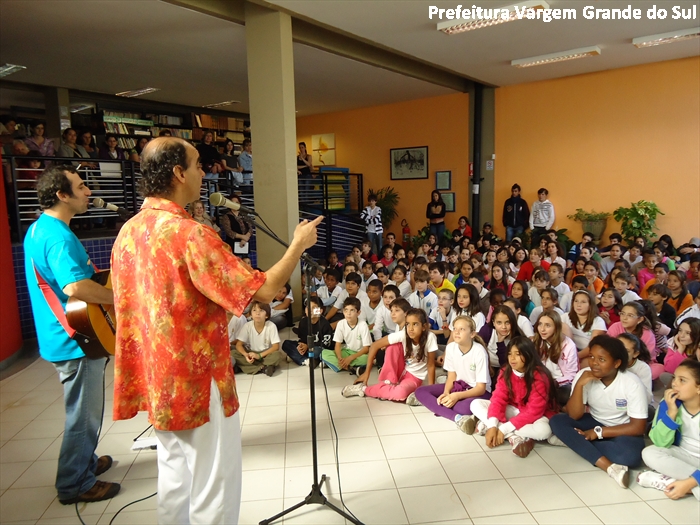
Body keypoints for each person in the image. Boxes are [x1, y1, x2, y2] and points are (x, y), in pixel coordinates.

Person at [110, 136, 321, 524]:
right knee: (214, 482)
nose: (204, 172)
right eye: (197, 165)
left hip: (159, 376)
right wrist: (298, 246)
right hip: (196, 375)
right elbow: (265, 290)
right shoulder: (188, 234)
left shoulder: (128, 232)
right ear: (178, 173)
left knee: (175, 476)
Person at [23, 165, 119, 504]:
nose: (88, 192)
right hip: (74, 339)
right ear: (62, 195)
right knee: (84, 414)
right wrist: (119, 298)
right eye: (80, 187)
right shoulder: (58, 235)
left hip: (62, 334)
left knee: (84, 408)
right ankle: (74, 483)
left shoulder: (40, 228)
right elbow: (75, 286)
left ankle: (86, 462)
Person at [549, 336, 648, 489]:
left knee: (630, 457)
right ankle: (609, 467)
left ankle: (575, 441)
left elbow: (638, 427)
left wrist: (598, 432)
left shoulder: (632, 383)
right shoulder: (584, 375)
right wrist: (580, 384)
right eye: (592, 357)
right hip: (594, 420)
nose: (594, 363)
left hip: (622, 428)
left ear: (616, 363)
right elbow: (574, 415)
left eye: (601, 359)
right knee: (557, 421)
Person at [470, 337, 559, 457]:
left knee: (544, 431)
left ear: (528, 355)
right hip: (513, 410)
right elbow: (498, 399)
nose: (512, 358)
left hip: (536, 415)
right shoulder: (505, 371)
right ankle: (513, 436)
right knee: (475, 404)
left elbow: (533, 411)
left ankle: (498, 428)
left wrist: (503, 429)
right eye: (510, 354)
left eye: (517, 354)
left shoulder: (540, 376)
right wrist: (492, 426)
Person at [344, 308, 437, 403]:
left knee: (400, 393)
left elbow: (430, 365)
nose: (410, 328)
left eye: (415, 324)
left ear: (424, 326)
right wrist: (366, 373)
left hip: (414, 376)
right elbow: (374, 346)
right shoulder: (404, 334)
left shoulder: (430, 338)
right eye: (407, 324)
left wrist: (430, 390)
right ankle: (389, 381)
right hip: (400, 369)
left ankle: (363, 389)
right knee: (392, 346)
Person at [639, 359, 700, 500]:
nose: (674, 384)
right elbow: (660, 443)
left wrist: (691, 482)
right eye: (675, 378)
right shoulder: (668, 404)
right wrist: (671, 413)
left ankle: (674, 483)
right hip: (681, 457)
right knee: (650, 453)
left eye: (682, 380)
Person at [415, 315, 491, 428]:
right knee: (420, 392)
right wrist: (446, 393)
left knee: (461, 407)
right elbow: (451, 377)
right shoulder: (451, 348)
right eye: (454, 328)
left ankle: (451, 411)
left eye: (462, 329)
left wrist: (456, 396)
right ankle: (458, 418)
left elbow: (480, 389)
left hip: (477, 391)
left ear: (472, 334)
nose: (456, 332)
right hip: (458, 386)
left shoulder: (479, 351)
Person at [533, 310, 579, 405]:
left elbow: (572, 375)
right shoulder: (537, 341)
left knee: (565, 393)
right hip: (540, 380)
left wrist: (555, 382)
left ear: (556, 327)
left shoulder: (569, 345)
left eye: (548, 325)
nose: (542, 329)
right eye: (540, 324)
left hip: (560, 383)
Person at [322, 297, 372, 373]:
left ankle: (338, 365)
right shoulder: (341, 323)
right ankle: (348, 367)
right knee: (324, 353)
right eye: (346, 310)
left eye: (352, 310)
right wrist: (339, 358)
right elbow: (338, 344)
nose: (348, 313)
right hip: (347, 351)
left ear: (358, 313)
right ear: (343, 311)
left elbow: (366, 348)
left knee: (368, 358)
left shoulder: (363, 325)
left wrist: (351, 358)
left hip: (359, 354)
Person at [282, 296, 333, 367]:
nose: (310, 310)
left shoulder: (324, 324)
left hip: (319, 348)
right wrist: (301, 346)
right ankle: (307, 361)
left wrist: (308, 346)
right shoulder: (303, 322)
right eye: (308, 307)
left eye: (314, 308)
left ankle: (298, 357)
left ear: (320, 311)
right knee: (286, 344)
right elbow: (302, 339)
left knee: (317, 351)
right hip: (307, 348)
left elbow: (326, 343)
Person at [234, 301, 281, 376]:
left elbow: (276, 347)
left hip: (265, 353)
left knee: (277, 355)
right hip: (251, 352)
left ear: (267, 315)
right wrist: (246, 355)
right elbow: (238, 345)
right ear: (251, 315)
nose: (257, 313)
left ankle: (248, 367)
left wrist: (259, 356)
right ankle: (264, 368)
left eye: (261, 310)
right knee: (233, 352)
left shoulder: (271, 326)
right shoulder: (247, 326)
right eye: (254, 310)